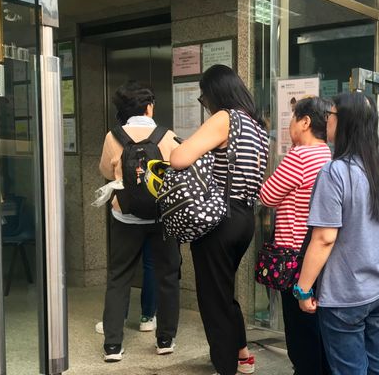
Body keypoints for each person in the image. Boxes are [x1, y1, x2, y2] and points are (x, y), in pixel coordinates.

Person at [169, 65, 269, 375]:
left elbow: (179, 158)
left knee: (213, 298)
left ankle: (224, 366)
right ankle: (241, 354)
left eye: (204, 97)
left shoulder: (225, 118)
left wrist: (180, 145)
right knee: (223, 289)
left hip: (218, 220)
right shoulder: (258, 127)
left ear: (215, 93)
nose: (205, 103)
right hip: (244, 218)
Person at [295, 93, 379, 375]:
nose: (327, 120)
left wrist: (302, 289)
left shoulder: (335, 172)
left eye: (331, 115)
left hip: (346, 295)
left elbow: (324, 238)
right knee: (377, 367)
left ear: (345, 123)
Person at [98, 81, 181, 362]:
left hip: (125, 216)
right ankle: (165, 339)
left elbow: (106, 173)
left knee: (119, 277)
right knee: (167, 276)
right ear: (148, 107)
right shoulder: (166, 136)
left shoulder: (113, 136)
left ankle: (112, 345)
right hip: (162, 217)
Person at [259, 97, 333, 375]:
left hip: (294, 256)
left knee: (299, 325)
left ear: (305, 122)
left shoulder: (299, 156)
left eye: (292, 118)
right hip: (321, 254)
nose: (289, 124)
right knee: (318, 321)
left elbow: (267, 195)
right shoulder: (329, 154)